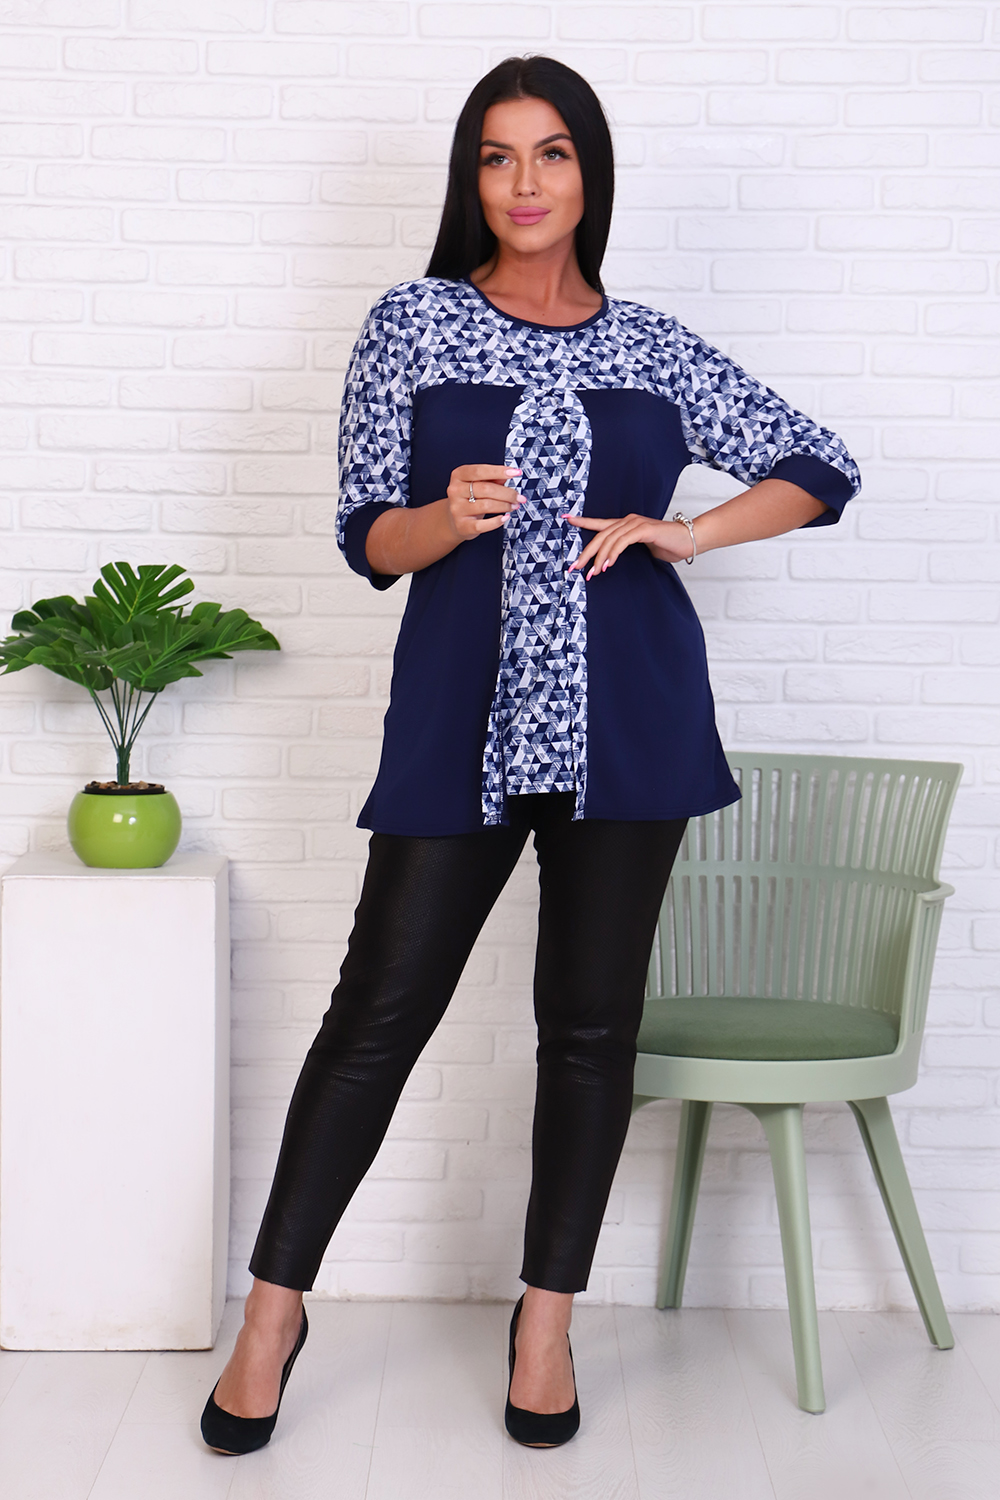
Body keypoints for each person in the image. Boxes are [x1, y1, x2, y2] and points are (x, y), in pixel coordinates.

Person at [201, 54, 859, 1456]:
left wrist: (688, 530)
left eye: (551, 153)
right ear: (471, 180)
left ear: (588, 174)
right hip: (462, 727)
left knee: (590, 1029)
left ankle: (546, 1323)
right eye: (497, 157)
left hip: (631, 729)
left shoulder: (655, 347)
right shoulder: (414, 323)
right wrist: (444, 515)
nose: (524, 182)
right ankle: (272, 1313)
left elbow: (819, 465)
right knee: (378, 1013)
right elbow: (369, 537)